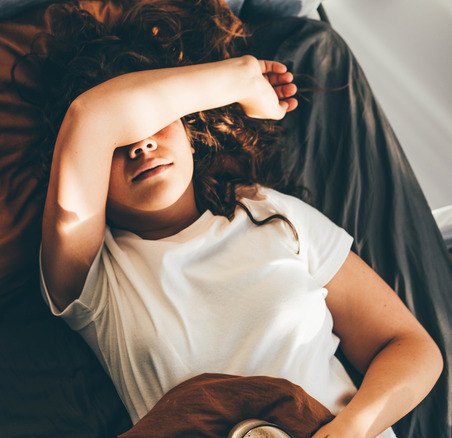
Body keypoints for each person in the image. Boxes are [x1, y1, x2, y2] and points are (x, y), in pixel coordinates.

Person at [31, 1, 443, 436]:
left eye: (157, 122)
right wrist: (241, 79)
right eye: (119, 142)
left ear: (190, 132)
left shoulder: (269, 211)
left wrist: (351, 428)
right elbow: (91, 117)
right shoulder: (94, 278)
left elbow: (410, 347)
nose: (141, 145)